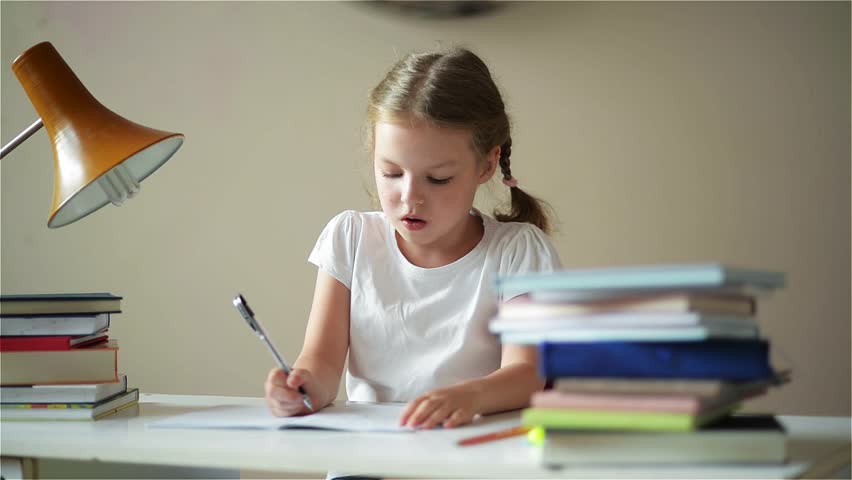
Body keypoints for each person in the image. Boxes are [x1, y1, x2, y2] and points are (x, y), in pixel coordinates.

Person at [264, 47, 562, 430]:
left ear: (487, 164)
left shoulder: (518, 251)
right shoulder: (350, 238)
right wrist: (300, 388)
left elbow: (527, 373)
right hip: (369, 455)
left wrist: (468, 396)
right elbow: (320, 365)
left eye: (437, 179)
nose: (410, 198)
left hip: (471, 455)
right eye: (391, 172)